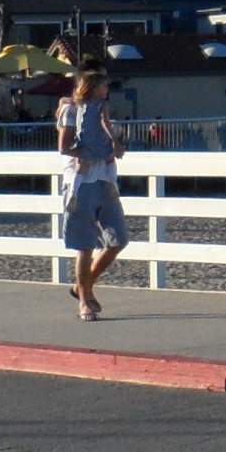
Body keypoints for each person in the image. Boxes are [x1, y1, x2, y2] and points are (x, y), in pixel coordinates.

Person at [55, 72, 129, 321]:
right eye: (103, 85)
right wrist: (84, 155)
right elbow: (64, 147)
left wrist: (116, 146)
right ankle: (84, 302)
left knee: (118, 240)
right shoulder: (72, 111)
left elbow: (108, 138)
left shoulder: (101, 110)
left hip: (105, 180)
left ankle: (81, 287)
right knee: (85, 245)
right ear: (92, 86)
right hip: (81, 182)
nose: (107, 89)